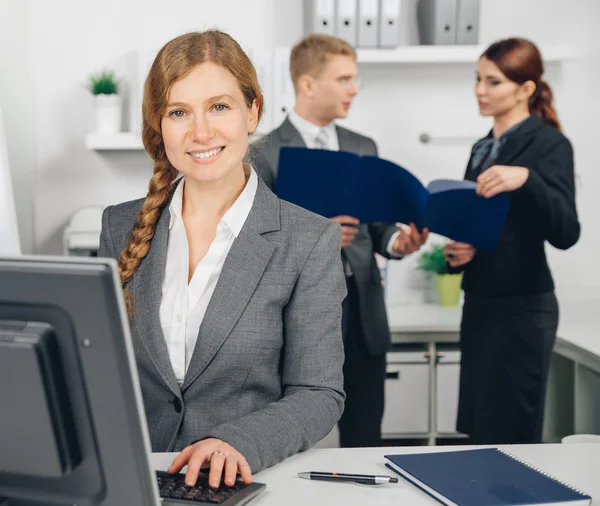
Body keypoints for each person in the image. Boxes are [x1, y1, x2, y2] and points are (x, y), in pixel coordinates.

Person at [98, 30, 347, 489]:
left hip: (243, 484)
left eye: (219, 106)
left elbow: (319, 393)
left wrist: (238, 443)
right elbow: (99, 372)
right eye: (179, 112)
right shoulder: (119, 226)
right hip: (135, 481)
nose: (201, 132)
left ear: (252, 112)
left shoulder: (308, 240)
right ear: (160, 126)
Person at [253, 34, 428, 448]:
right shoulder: (263, 153)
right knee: (291, 436)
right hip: (298, 312)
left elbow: (378, 226)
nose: (354, 89)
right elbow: (255, 240)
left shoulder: (362, 147)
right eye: (345, 79)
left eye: (355, 79)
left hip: (364, 311)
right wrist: (317, 237)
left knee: (366, 433)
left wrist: (396, 243)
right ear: (308, 84)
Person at [444, 37, 580, 444]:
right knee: (479, 430)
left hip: (524, 309)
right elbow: (487, 227)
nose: (480, 91)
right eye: (478, 79)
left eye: (494, 82)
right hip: (481, 305)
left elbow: (566, 232)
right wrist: (461, 252)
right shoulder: (481, 148)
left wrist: (527, 180)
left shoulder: (550, 144)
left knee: (514, 432)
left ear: (526, 89)